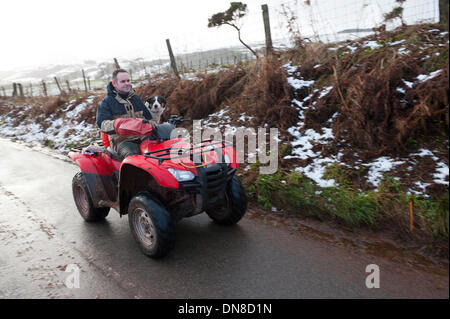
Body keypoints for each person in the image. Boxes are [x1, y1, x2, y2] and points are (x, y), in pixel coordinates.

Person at [96, 69, 156, 158]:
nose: (127, 83)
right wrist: (119, 124)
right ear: (114, 83)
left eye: (128, 80)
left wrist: (155, 127)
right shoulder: (106, 102)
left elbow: (149, 119)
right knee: (134, 159)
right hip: (122, 141)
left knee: (158, 151)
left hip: (143, 137)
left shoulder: (136, 98)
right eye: (123, 81)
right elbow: (102, 124)